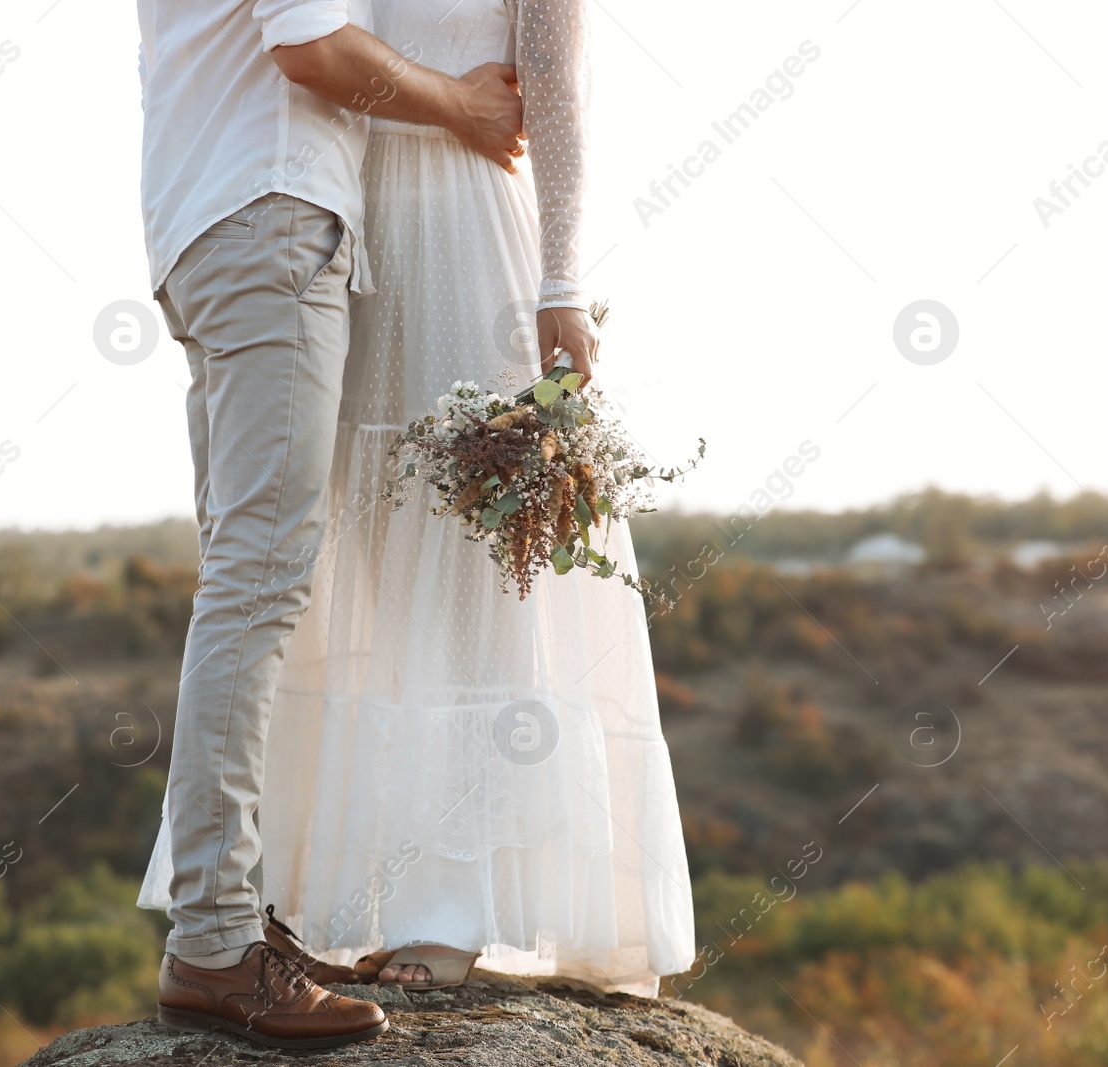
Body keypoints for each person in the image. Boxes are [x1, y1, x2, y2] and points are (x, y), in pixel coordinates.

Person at [140, 0, 696, 1007]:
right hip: (335, 213)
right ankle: (311, 893)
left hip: (462, 225)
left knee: (470, 563)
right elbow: (305, 50)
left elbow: (556, 93)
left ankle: (450, 901)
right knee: (343, 569)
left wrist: (561, 277)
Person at [137, 0, 528, 1048]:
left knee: (240, 572)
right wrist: (460, 108)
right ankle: (215, 939)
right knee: (259, 583)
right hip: (269, 219)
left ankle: (225, 918)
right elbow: (309, 46)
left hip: (199, 223)